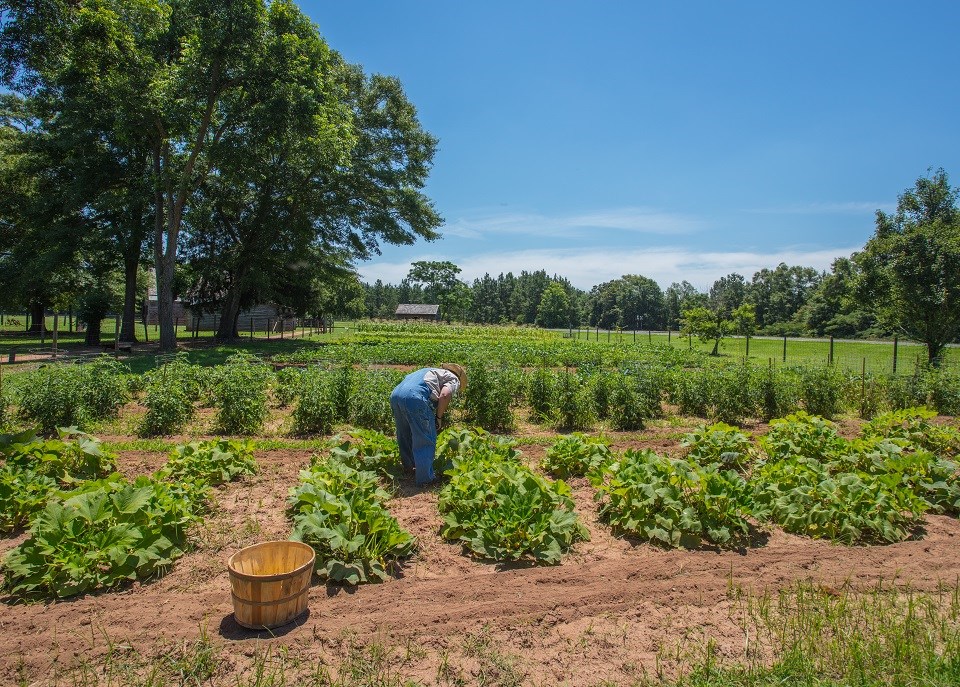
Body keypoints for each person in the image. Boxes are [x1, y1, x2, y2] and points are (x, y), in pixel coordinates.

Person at [390, 363, 467, 486]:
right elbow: (445, 395)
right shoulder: (453, 378)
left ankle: (408, 468)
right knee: (425, 437)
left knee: (404, 433)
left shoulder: (427, 371)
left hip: (395, 395)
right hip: (415, 397)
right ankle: (425, 479)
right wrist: (438, 417)